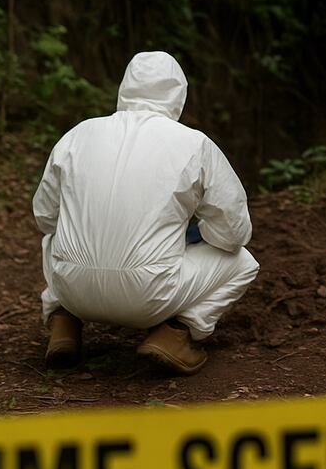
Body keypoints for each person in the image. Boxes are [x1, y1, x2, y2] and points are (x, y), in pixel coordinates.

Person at [33, 51, 259, 374]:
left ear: (124, 88)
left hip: (72, 290)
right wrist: (193, 236)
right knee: (242, 261)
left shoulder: (77, 136)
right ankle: (176, 333)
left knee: (52, 237)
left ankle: (63, 322)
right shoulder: (195, 144)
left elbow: (43, 216)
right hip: (150, 298)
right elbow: (235, 232)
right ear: (178, 95)